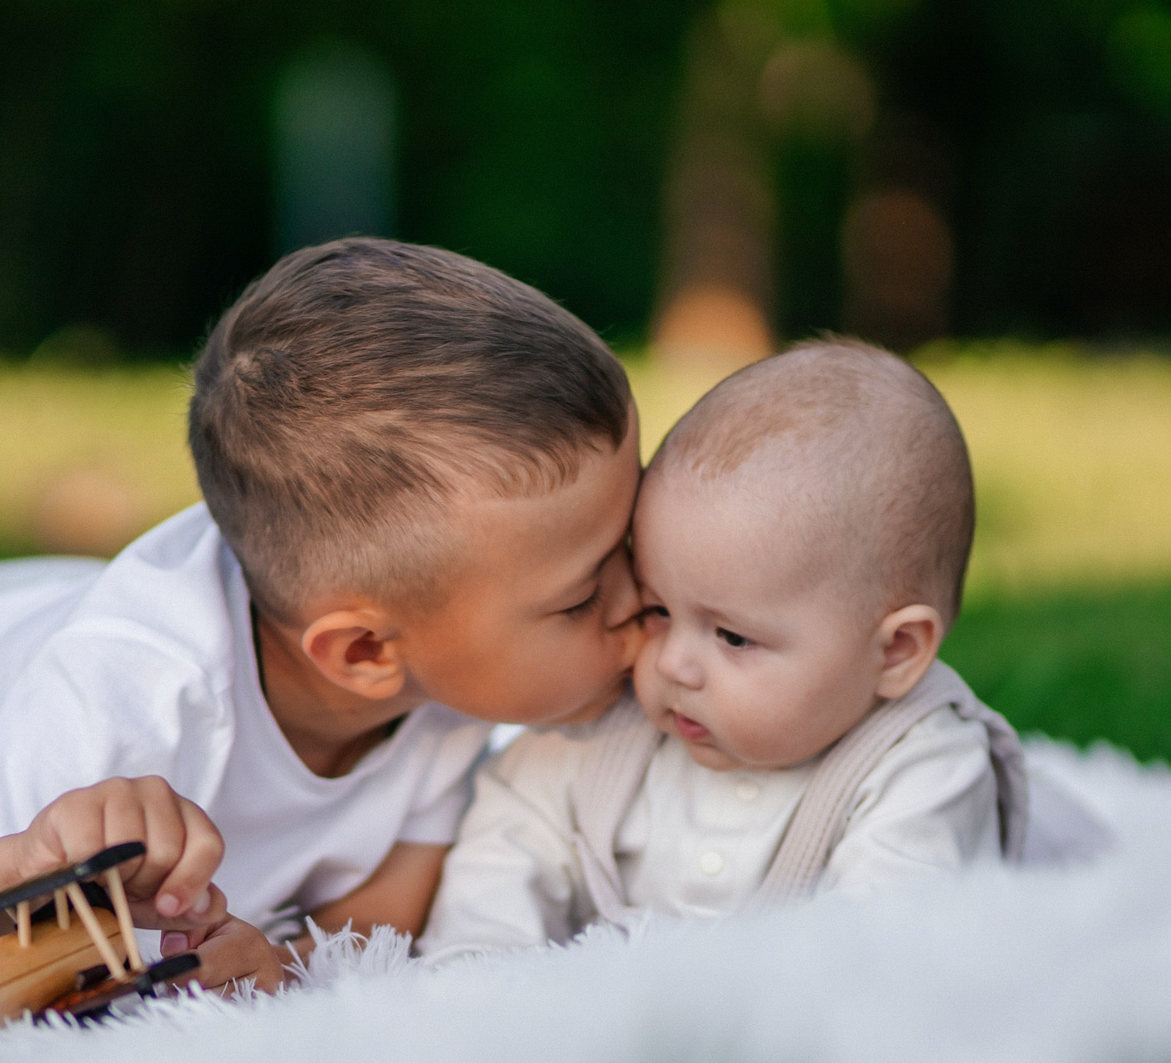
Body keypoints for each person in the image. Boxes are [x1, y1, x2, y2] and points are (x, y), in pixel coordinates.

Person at [0, 238, 646, 987]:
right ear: (361, 653)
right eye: (583, 593)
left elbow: (378, 913)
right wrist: (23, 854)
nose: (643, 597)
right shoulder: (122, 710)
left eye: (632, 544)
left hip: (39, 609)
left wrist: (288, 964)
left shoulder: (437, 672)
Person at [421, 338, 1039, 960]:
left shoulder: (925, 766)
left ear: (896, 653)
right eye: (658, 609)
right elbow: (512, 837)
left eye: (734, 637)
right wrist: (480, 975)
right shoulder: (611, 724)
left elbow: (884, 960)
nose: (671, 663)